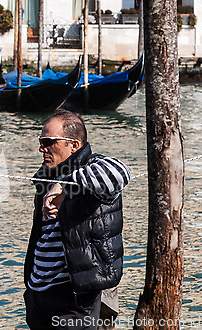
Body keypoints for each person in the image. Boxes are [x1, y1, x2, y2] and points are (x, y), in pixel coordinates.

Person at [24, 110, 130, 329]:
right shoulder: (46, 175)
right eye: (41, 141)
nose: (42, 148)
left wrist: (64, 185)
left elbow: (120, 172)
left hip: (73, 298)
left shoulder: (93, 170)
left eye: (48, 141)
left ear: (73, 145)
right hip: (38, 295)